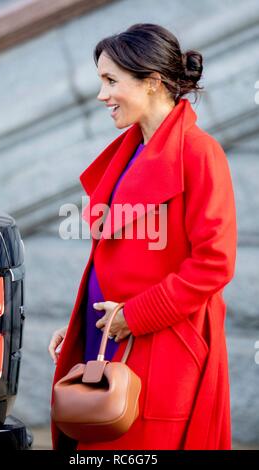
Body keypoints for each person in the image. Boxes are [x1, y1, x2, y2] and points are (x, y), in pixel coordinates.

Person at [48, 23, 237, 450]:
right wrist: (82, 324)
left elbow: (215, 263)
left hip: (164, 344)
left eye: (111, 81)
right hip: (111, 335)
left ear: (152, 83)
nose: (102, 95)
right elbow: (120, 258)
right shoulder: (131, 150)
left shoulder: (199, 152)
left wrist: (134, 316)